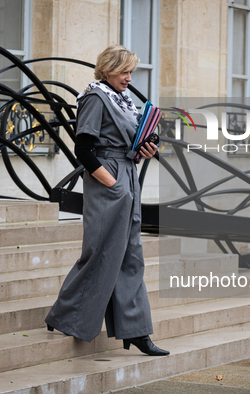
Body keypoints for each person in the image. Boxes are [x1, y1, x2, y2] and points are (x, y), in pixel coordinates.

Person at [45, 45, 169, 356]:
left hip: (127, 176)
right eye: (125, 71)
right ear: (108, 70)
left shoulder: (123, 100)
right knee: (100, 252)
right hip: (108, 181)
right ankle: (66, 316)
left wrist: (148, 147)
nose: (130, 77)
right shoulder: (95, 97)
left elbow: (134, 138)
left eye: (131, 72)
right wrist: (112, 184)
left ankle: (137, 331)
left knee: (130, 256)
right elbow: (83, 149)